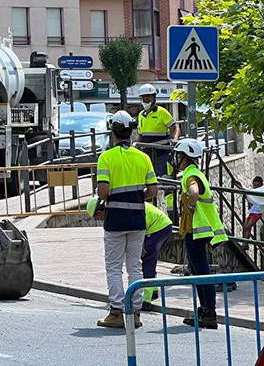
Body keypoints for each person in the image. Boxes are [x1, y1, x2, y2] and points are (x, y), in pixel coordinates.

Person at [94, 110, 158, 328]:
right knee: (135, 267)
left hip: (115, 221)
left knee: (114, 268)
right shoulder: (143, 157)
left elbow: (103, 192)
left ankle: (116, 312)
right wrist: (135, 197)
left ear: (112, 132)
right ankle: (135, 313)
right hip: (138, 220)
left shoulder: (106, 158)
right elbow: (153, 190)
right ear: (131, 132)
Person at [87, 197, 173, 324]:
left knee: (147, 261)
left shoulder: (116, 208)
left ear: (99, 212)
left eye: (97, 218)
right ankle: (148, 296)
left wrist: (142, 243)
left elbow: (143, 218)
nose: (99, 220)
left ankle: (145, 300)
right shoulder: (130, 201)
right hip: (159, 226)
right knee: (142, 263)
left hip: (157, 227)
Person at [173, 138, 228, 330]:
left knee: (201, 272)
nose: (176, 159)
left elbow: (194, 193)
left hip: (197, 230)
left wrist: (190, 206)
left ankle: (209, 312)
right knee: (198, 271)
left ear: (185, 157)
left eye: (178, 156)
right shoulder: (195, 172)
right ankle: (205, 310)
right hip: (198, 230)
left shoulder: (191, 176)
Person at [136, 84, 179, 176]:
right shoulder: (141, 115)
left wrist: (175, 139)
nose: (146, 99)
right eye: (143, 97)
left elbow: (175, 128)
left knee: (164, 177)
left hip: (162, 152)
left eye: (148, 96)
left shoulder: (162, 112)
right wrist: (137, 146)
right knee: (149, 178)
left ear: (154, 98)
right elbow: (141, 134)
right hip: (147, 153)